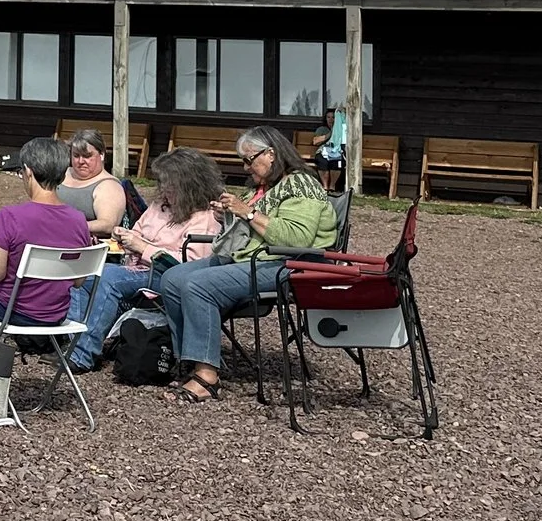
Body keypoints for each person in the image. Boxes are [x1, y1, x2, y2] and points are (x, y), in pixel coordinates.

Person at [154, 125, 341, 404]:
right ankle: (190, 360)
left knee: (198, 286)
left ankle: (207, 377)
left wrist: (248, 212)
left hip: (290, 263)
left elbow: (296, 237)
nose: (245, 167)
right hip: (253, 257)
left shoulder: (301, 184)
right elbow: (251, 228)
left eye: (248, 159)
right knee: (172, 278)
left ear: (271, 154)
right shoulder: (265, 186)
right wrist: (228, 216)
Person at [63, 146, 224, 372]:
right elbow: (138, 231)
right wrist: (124, 238)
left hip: (167, 278)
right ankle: (74, 344)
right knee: (81, 275)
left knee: (108, 278)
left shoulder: (205, 218)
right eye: (162, 183)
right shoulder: (160, 206)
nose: (164, 189)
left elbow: (189, 268)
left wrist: (143, 247)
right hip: (135, 267)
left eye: (170, 184)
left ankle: (82, 355)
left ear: (188, 184)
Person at [0, 136, 92, 330]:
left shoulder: (10, 216)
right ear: (62, 176)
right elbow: (78, 281)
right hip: (55, 314)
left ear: (28, 171)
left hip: (10, 310)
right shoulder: (79, 220)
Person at [56, 129, 130, 234]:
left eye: (87, 156)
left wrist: (67, 227)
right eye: (76, 156)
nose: (81, 161)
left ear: (101, 155)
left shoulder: (109, 186)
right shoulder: (59, 173)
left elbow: (108, 224)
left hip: (85, 243)